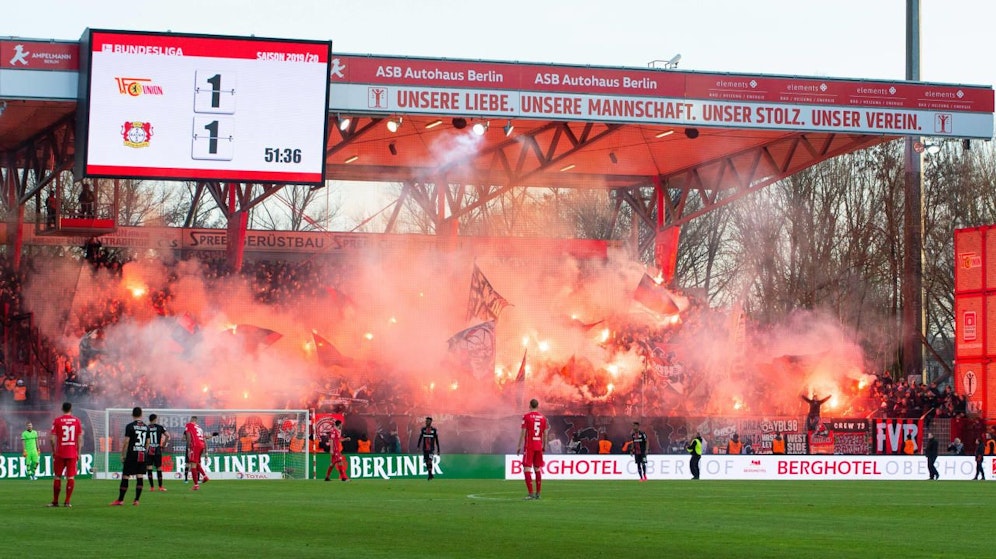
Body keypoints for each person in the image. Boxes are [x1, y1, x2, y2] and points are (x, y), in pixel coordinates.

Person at [111, 407, 149, 506]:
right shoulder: (146, 427)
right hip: (142, 453)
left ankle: (120, 500)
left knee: (125, 476)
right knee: (139, 476)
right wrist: (144, 450)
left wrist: (122, 454)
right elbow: (148, 442)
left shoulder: (130, 426)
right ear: (141, 415)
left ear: (132, 415)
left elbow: (126, 441)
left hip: (132, 453)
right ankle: (136, 500)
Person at [50, 401, 84, 507]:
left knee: (57, 477)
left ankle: (55, 501)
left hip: (60, 452)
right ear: (71, 409)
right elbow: (79, 438)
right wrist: (78, 452)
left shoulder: (57, 420)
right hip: (72, 453)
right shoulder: (77, 421)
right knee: (71, 477)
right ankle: (67, 501)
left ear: (62, 409)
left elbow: (52, 438)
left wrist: (53, 451)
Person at [516, 398, 548, 499]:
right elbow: (546, 434)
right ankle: (538, 493)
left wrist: (519, 445)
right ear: (538, 406)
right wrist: (544, 445)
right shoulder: (543, 418)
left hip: (529, 446)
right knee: (537, 468)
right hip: (538, 445)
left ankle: (530, 493)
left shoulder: (526, 417)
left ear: (530, 405)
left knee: (527, 468)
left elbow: (523, 432)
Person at [184, 416, 212, 490]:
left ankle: (196, 485)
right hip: (201, 445)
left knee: (193, 464)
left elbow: (188, 436)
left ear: (191, 420)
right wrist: (206, 452)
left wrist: (189, 448)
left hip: (195, 445)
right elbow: (204, 439)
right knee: (196, 463)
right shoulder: (200, 428)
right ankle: (205, 476)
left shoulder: (189, 425)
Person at [146, 413, 170, 491]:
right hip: (157, 449)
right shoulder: (160, 427)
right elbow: (167, 435)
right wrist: (163, 444)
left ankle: (152, 487)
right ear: (155, 419)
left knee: (149, 467)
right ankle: (160, 487)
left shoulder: (146, 427)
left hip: (149, 449)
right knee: (159, 468)